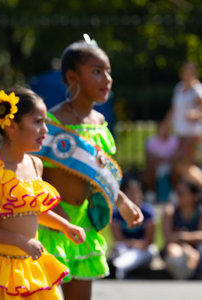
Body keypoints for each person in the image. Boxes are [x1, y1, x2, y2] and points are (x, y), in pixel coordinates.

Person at [0, 87, 86, 299]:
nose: (45, 130)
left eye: (45, 122)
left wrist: (65, 226)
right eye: (37, 122)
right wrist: (20, 241)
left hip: (28, 268)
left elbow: (30, 210)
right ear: (11, 126)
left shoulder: (36, 164)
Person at [36, 35, 144, 300]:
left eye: (108, 71)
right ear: (73, 77)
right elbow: (33, 170)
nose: (106, 79)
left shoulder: (99, 123)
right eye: (97, 72)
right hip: (54, 222)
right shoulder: (52, 122)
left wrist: (123, 202)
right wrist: (52, 210)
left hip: (84, 223)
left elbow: (100, 174)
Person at [110, 177, 157, 279]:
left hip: (143, 248)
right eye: (130, 194)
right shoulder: (116, 214)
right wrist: (130, 243)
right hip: (126, 246)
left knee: (139, 253)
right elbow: (118, 238)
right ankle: (120, 268)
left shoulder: (148, 212)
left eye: (136, 193)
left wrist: (136, 244)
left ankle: (119, 267)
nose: (134, 197)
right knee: (120, 248)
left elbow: (149, 240)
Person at [168, 61, 202, 188]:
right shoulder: (179, 88)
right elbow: (174, 109)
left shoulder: (197, 90)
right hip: (181, 134)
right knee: (183, 166)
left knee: (184, 165)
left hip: (193, 134)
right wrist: (165, 126)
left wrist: (196, 114)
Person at [162, 179, 202, 280]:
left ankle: (186, 271)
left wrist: (182, 236)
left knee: (195, 253)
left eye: (182, 193)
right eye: (177, 192)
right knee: (173, 250)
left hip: (196, 247)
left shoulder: (200, 212)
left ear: (194, 196)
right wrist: (185, 245)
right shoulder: (170, 210)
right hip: (176, 246)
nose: (178, 196)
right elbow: (168, 236)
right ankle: (182, 269)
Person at [144, 117, 179, 203]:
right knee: (150, 167)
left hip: (170, 166)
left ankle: (173, 192)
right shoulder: (151, 141)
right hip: (156, 166)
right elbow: (149, 158)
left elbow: (176, 157)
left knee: (177, 168)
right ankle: (151, 192)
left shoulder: (175, 141)